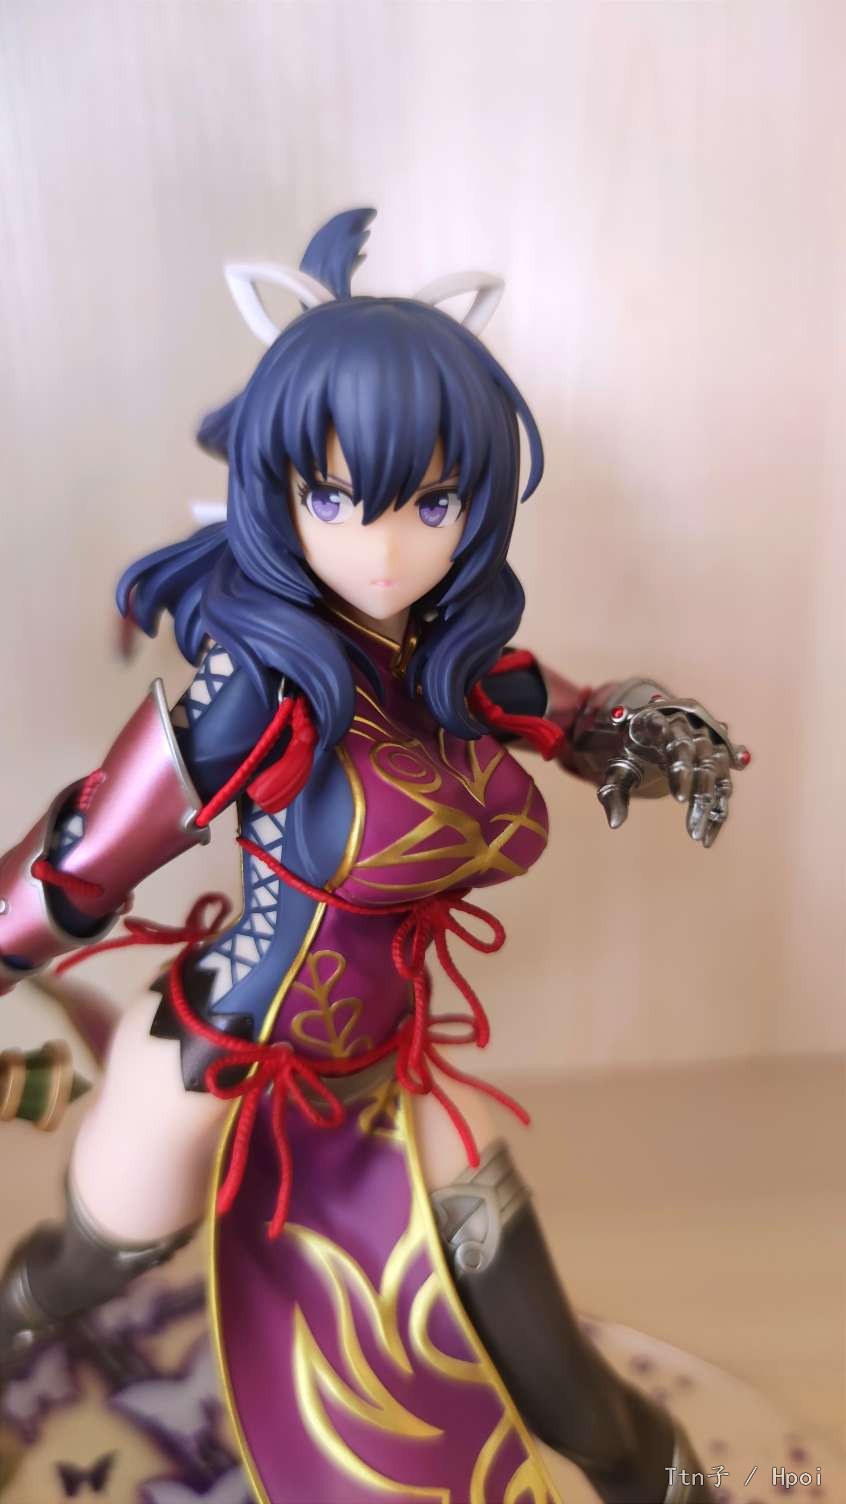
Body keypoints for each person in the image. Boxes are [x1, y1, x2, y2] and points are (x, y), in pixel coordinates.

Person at [0, 209, 747, 1503]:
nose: (385, 549)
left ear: (475, 504)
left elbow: (582, 719)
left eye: (431, 502)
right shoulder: (254, 691)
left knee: (551, 1365)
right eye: (333, 499)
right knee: (82, 1272)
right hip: (217, 1064)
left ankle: (671, 1488)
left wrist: (657, 734)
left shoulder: (457, 668)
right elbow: (83, 862)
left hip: (384, 1073)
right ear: (279, 493)